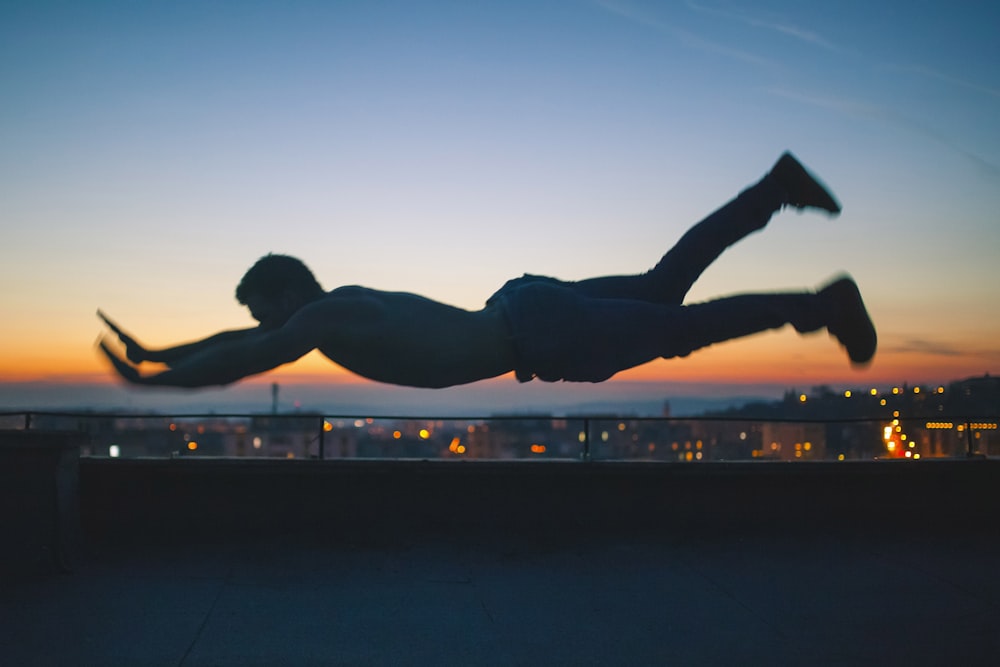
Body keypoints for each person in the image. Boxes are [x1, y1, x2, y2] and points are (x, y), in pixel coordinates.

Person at [98, 151, 876, 390]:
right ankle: (773, 191)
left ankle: (821, 303)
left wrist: (150, 381)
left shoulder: (324, 316)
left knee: (681, 326)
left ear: (285, 292)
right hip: (523, 309)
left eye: (266, 307)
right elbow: (236, 337)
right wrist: (159, 351)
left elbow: (246, 351)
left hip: (534, 329)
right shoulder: (337, 308)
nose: (268, 324)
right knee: (666, 285)